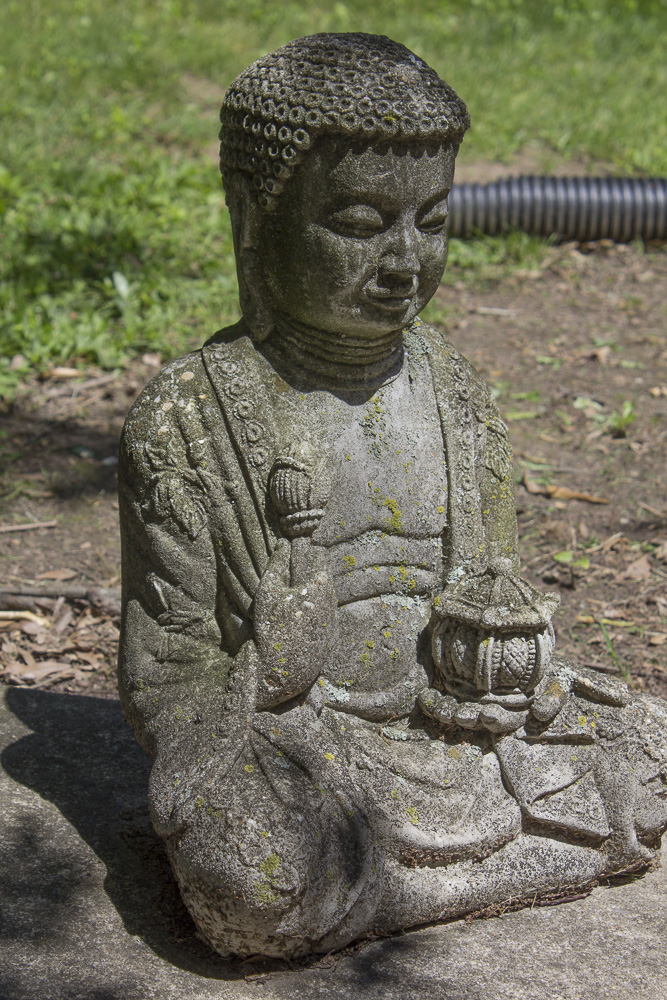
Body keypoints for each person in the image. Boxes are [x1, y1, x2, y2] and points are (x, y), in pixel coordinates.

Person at [118, 33, 667, 959]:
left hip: (463, 731)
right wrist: (265, 672)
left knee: (646, 747)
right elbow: (163, 676)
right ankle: (531, 862)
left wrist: (516, 674)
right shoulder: (187, 419)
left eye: (433, 220)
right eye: (360, 222)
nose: (406, 260)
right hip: (307, 745)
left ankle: (401, 891)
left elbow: (492, 587)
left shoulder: (456, 393)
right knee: (250, 873)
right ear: (253, 213)